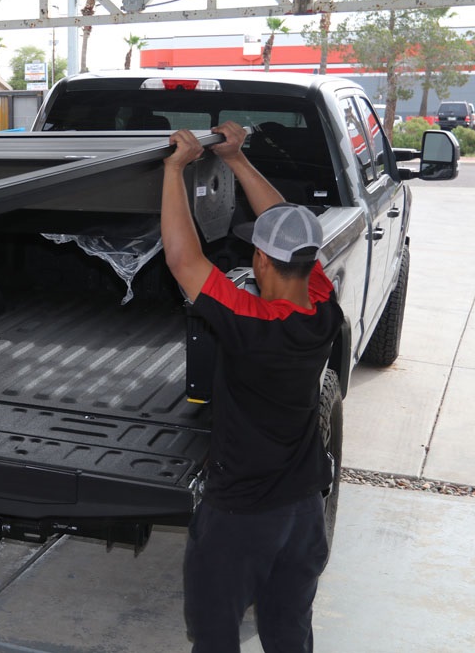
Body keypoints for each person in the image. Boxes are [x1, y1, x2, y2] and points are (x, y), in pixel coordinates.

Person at [160, 122, 344, 652]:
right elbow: (286, 224)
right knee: (289, 632)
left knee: (215, 637)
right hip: (302, 510)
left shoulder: (251, 321)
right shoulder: (321, 308)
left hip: (240, 517)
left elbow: (182, 259)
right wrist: (237, 160)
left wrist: (174, 169)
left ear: (260, 260)